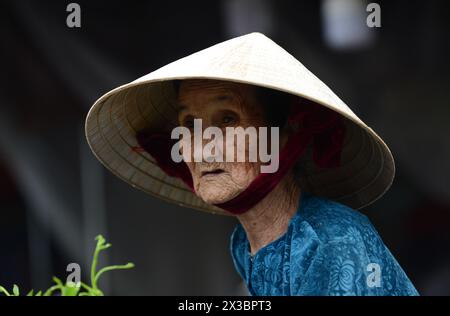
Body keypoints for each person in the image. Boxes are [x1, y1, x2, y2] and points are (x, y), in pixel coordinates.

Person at [85, 32, 418, 295]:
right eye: (188, 124)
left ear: (284, 138)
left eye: (228, 119)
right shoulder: (245, 243)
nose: (202, 147)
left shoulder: (331, 239)